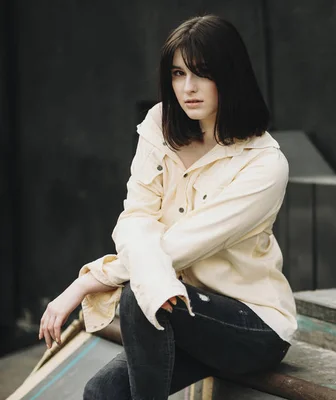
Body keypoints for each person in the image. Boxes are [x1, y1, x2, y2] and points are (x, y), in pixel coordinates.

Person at [38, 14, 297, 400]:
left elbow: (175, 247)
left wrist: (85, 283)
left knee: (143, 292)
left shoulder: (264, 165)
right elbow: (135, 220)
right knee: (101, 392)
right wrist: (145, 273)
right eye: (177, 74)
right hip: (177, 308)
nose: (188, 88)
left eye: (202, 73)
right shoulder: (159, 125)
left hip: (252, 326)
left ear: (231, 75)